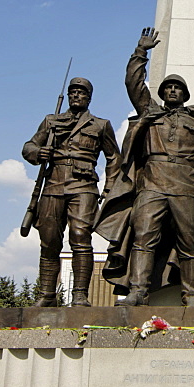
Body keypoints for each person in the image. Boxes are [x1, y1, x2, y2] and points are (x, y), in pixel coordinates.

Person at [97, 28, 194, 307]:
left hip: (186, 186)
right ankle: (139, 290)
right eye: (168, 87)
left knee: (190, 243)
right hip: (151, 185)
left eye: (177, 87)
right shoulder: (150, 113)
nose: (173, 90)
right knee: (143, 239)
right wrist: (141, 52)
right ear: (162, 93)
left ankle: (191, 295)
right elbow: (134, 85)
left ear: (185, 94)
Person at [23, 77, 121, 307]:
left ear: (89, 97)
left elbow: (114, 158)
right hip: (54, 185)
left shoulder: (100, 125)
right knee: (49, 242)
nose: (76, 96)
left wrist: (109, 188)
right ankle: (46, 294)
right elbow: (28, 146)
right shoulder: (51, 121)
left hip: (83, 186)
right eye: (73, 92)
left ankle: (79, 294)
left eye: (81, 93)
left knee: (80, 238)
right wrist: (39, 153)